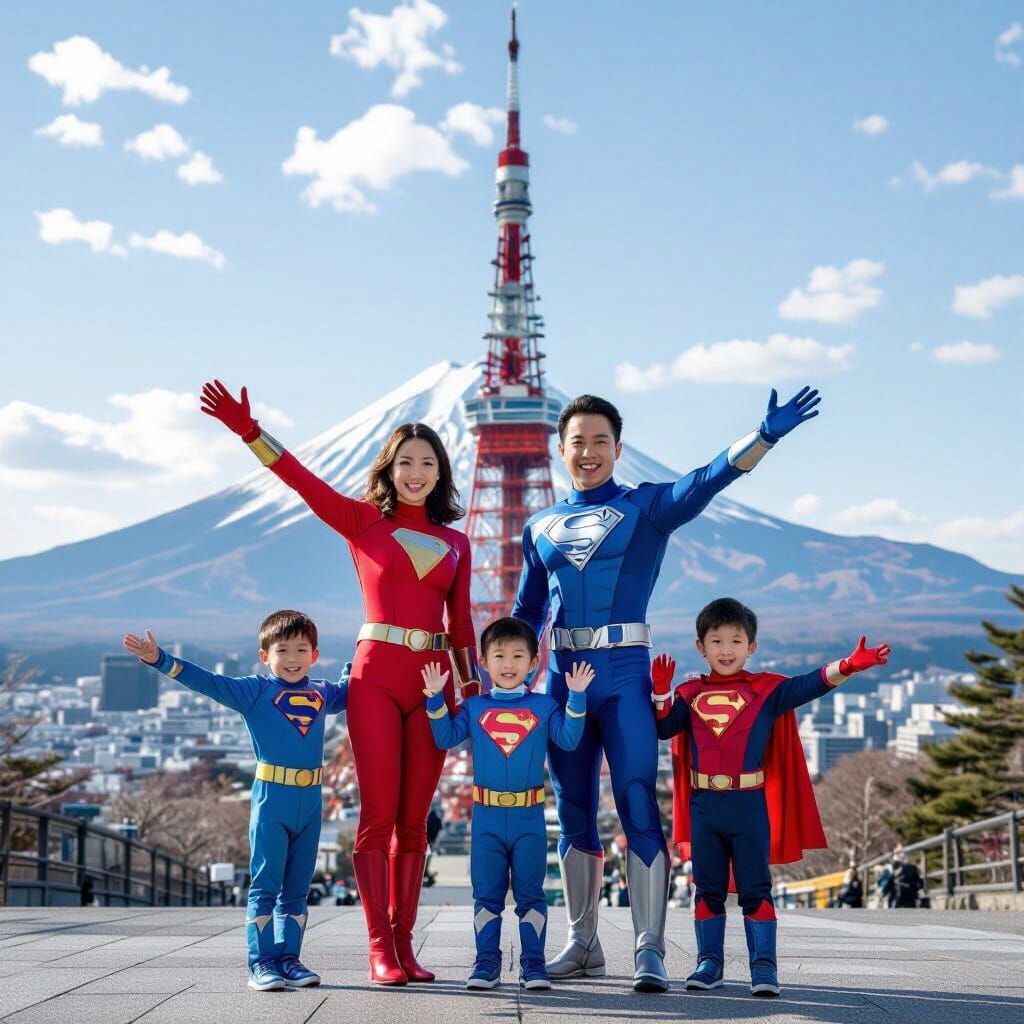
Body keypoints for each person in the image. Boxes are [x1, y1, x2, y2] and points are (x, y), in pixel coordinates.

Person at [512, 387, 822, 991]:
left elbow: (704, 481)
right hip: (561, 678)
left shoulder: (646, 508)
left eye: (601, 441)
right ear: (561, 450)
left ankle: (649, 948)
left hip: (625, 673)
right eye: (578, 441)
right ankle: (582, 942)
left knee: (634, 801)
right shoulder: (539, 525)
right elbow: (526, 613)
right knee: (572, 808)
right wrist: (499, 670)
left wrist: (763, 436)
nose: (589, 451)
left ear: (619, 448)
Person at [201, 380, 481, 986]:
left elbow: (461, 625)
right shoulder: (362, 522)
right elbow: (303, 483)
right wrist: (251, 433)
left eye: (428, 463)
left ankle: (406, 946)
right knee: (378, 817)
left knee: (415, 820)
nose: (416, 472)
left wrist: (474, 692)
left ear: (441, 473)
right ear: (389, 468)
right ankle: (380, 947)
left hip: (433, 683)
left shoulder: (457, 541)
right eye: (405, 462)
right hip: (376, 675)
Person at [653, 597, 890, 997]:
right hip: (704, 806)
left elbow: (808, 683)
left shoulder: (766, 690)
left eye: (735, 641)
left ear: (751, 647)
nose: (726, 650)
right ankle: (708, 963)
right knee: (707, 888)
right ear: (701, 647)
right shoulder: (689, 692)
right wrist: (662, 695)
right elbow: (664, 729)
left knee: (755, 889)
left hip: (749, 806)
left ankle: (764, 968)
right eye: (716, 641)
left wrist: (848, 665)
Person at [123, 610, 348, 991]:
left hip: (312, 799)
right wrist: (158, 659)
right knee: (266, 883)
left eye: (301, 649)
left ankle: (289, 959)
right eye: (282, 650)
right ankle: (261, 963)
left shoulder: (322, 692)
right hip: (272, 797)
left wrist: (365, 654)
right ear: (265, 655)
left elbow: (354, 688)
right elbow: (208, 682)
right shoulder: (254, 691)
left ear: (315, 654)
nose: (292, 658)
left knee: (297, 886)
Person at [421, 616, 594, 991]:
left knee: (531, 894)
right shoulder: (473, 707)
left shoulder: (545, 706)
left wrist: (577, 697)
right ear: (483, 660)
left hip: (529, 817)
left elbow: (568, 739)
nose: (509, 664)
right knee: (487, 895)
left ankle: (533, 964)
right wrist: (435, 698)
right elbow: (445, 738)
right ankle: (486, 964)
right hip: (485, 819)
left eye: (519, 655)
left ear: (534, 661)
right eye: (499, 655)